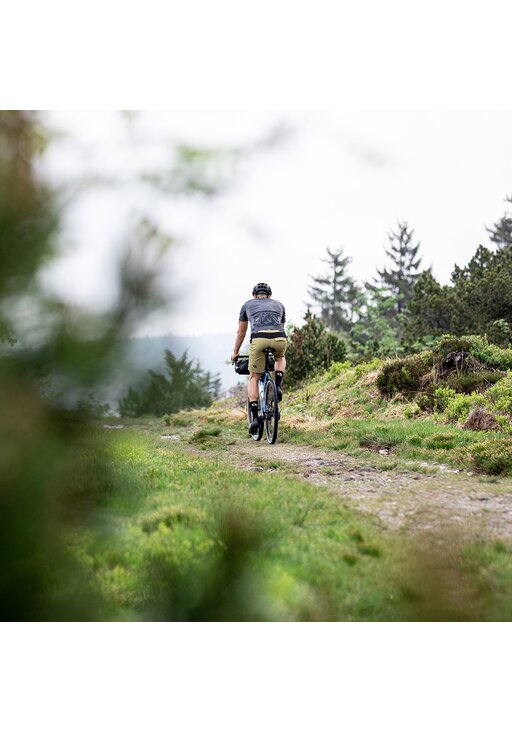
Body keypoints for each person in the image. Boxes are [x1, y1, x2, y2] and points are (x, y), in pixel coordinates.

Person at [231, 283, 287, 434]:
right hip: (279, 338)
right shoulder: (279, 305)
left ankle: (255, 418)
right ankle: (277, 385)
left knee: (254, 377)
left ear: (254, 295)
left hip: (258, 339)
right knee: (280, 357)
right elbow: (280, 325)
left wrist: (235, 352)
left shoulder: (247, 305)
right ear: (269, 295)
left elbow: (241, 333)